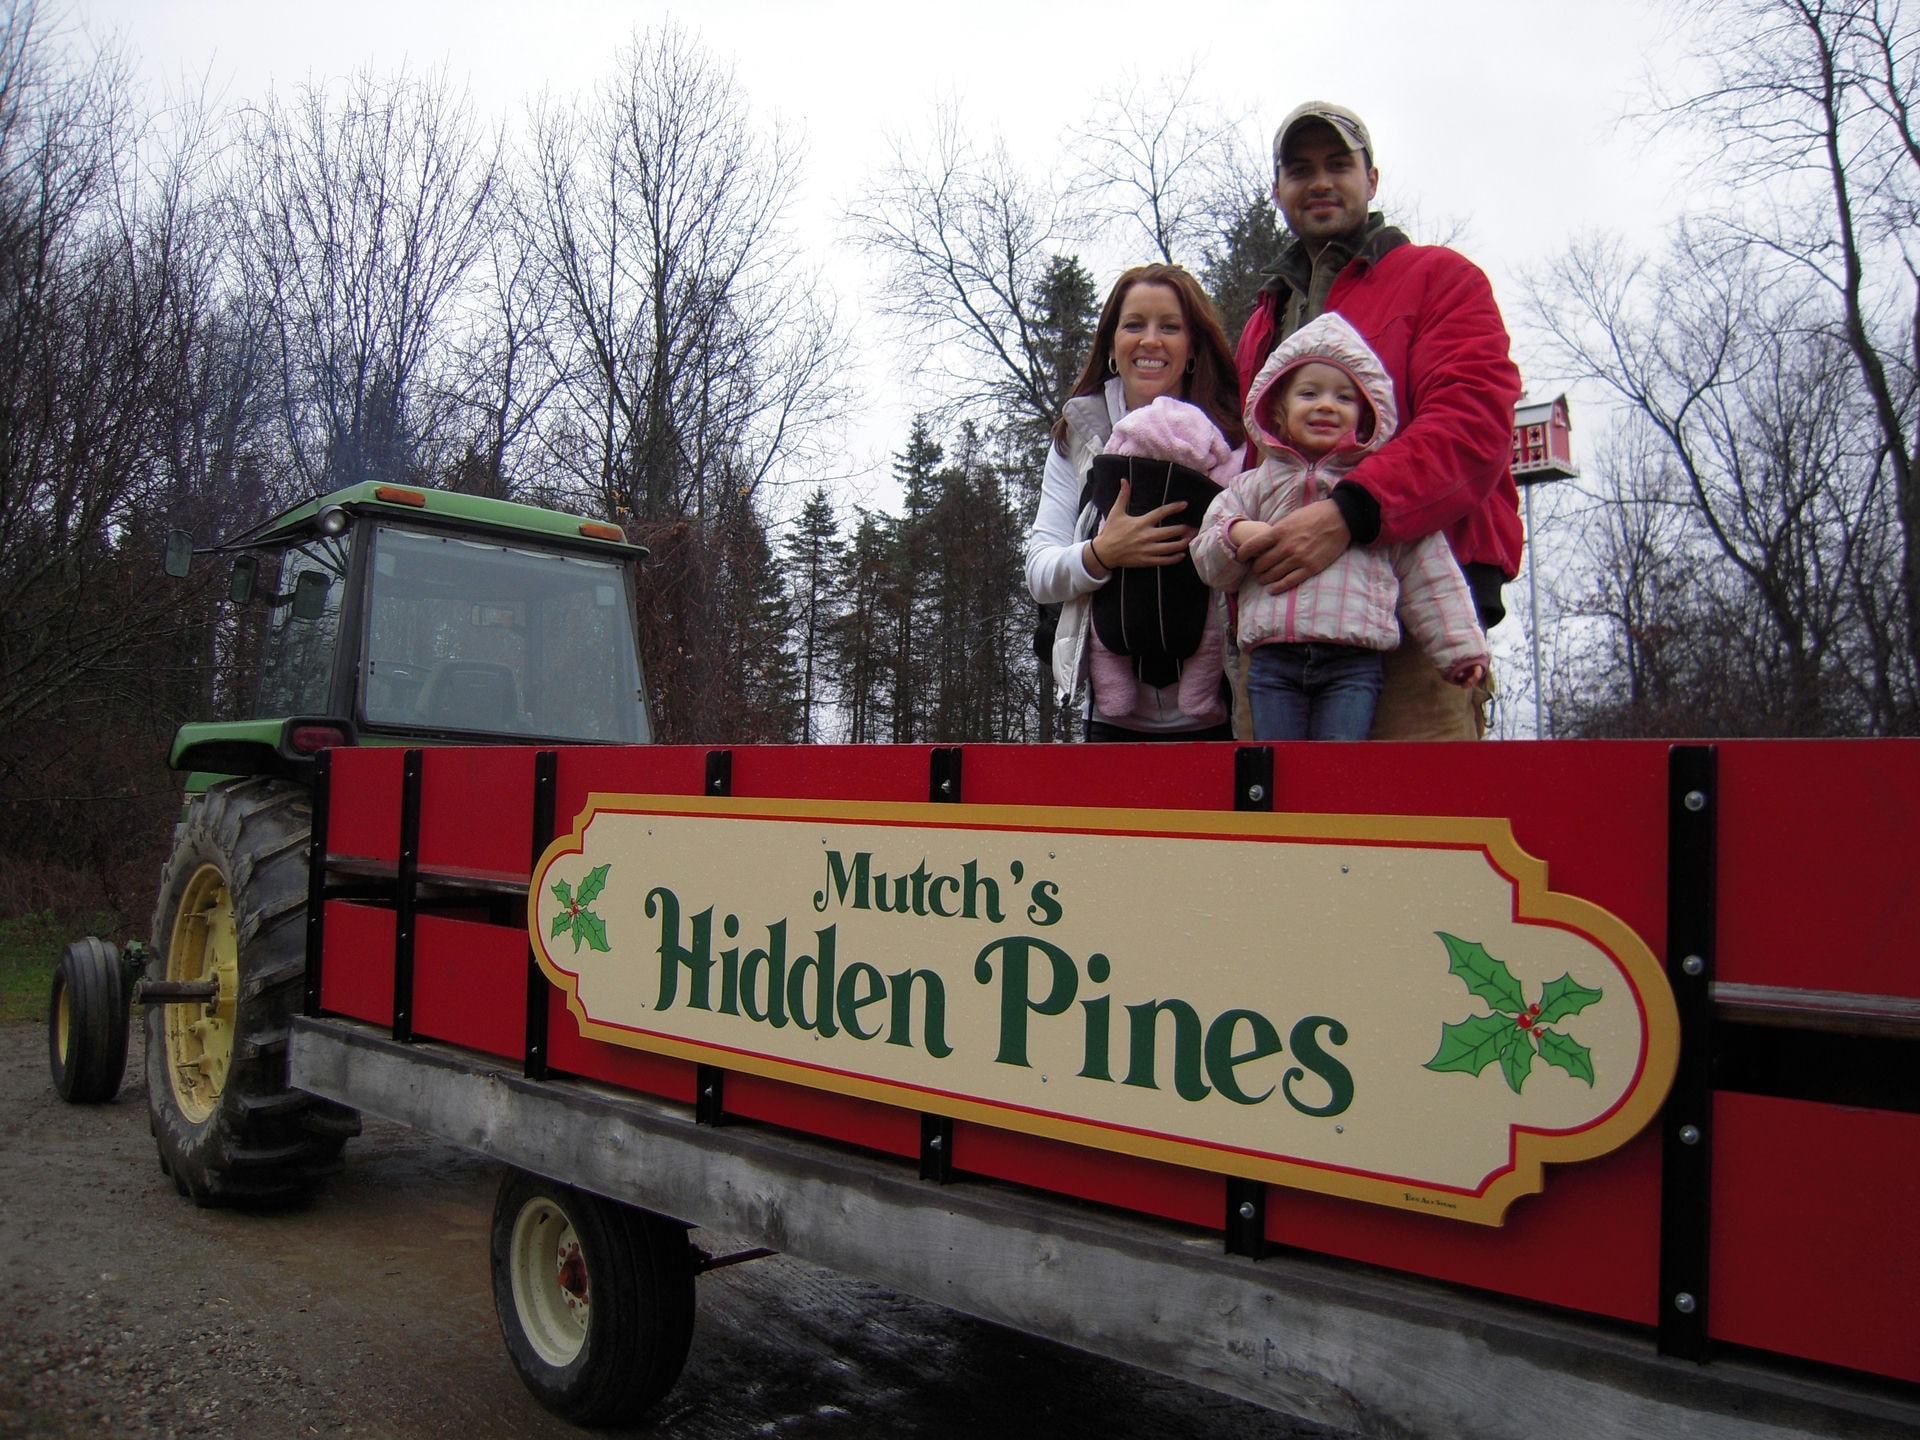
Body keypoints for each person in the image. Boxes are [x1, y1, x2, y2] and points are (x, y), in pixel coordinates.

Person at [1233, 101, 1523, 740]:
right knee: (1278, 837)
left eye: (1339, 164)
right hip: (1277, 635)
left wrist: (1348, 514)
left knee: (1418, 831)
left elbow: (1473, 425)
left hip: (1418, 629)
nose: (1320, 181)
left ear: (1373, 179)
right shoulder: (1261, 324)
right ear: (1279, 189)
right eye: (1300, 169)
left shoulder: (1440, 279)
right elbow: (1251, 471)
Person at [1192, 313, 1488, 741]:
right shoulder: (1251, 488)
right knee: (1277, 775)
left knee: (1338, 773)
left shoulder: (1376, 495)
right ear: (1278, 408)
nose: (1326, 405)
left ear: (1366, 415)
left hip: (1353, 663)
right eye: (1309, 393)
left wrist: (1461, 651)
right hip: (1273, 662)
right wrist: (1237, 536)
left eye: (1344, 398)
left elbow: (1432, 576)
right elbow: (1208, 559)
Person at [1026, 264, 1246, 741]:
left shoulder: (1237, 439)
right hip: (1111, 719)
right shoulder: (1078, 437)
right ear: (1110, 345)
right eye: (1134, 325)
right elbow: (1039, 571)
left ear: (1192, 348)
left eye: (1170, 326)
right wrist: (1102, 553)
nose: (1151, 340)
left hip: (1223, 712)